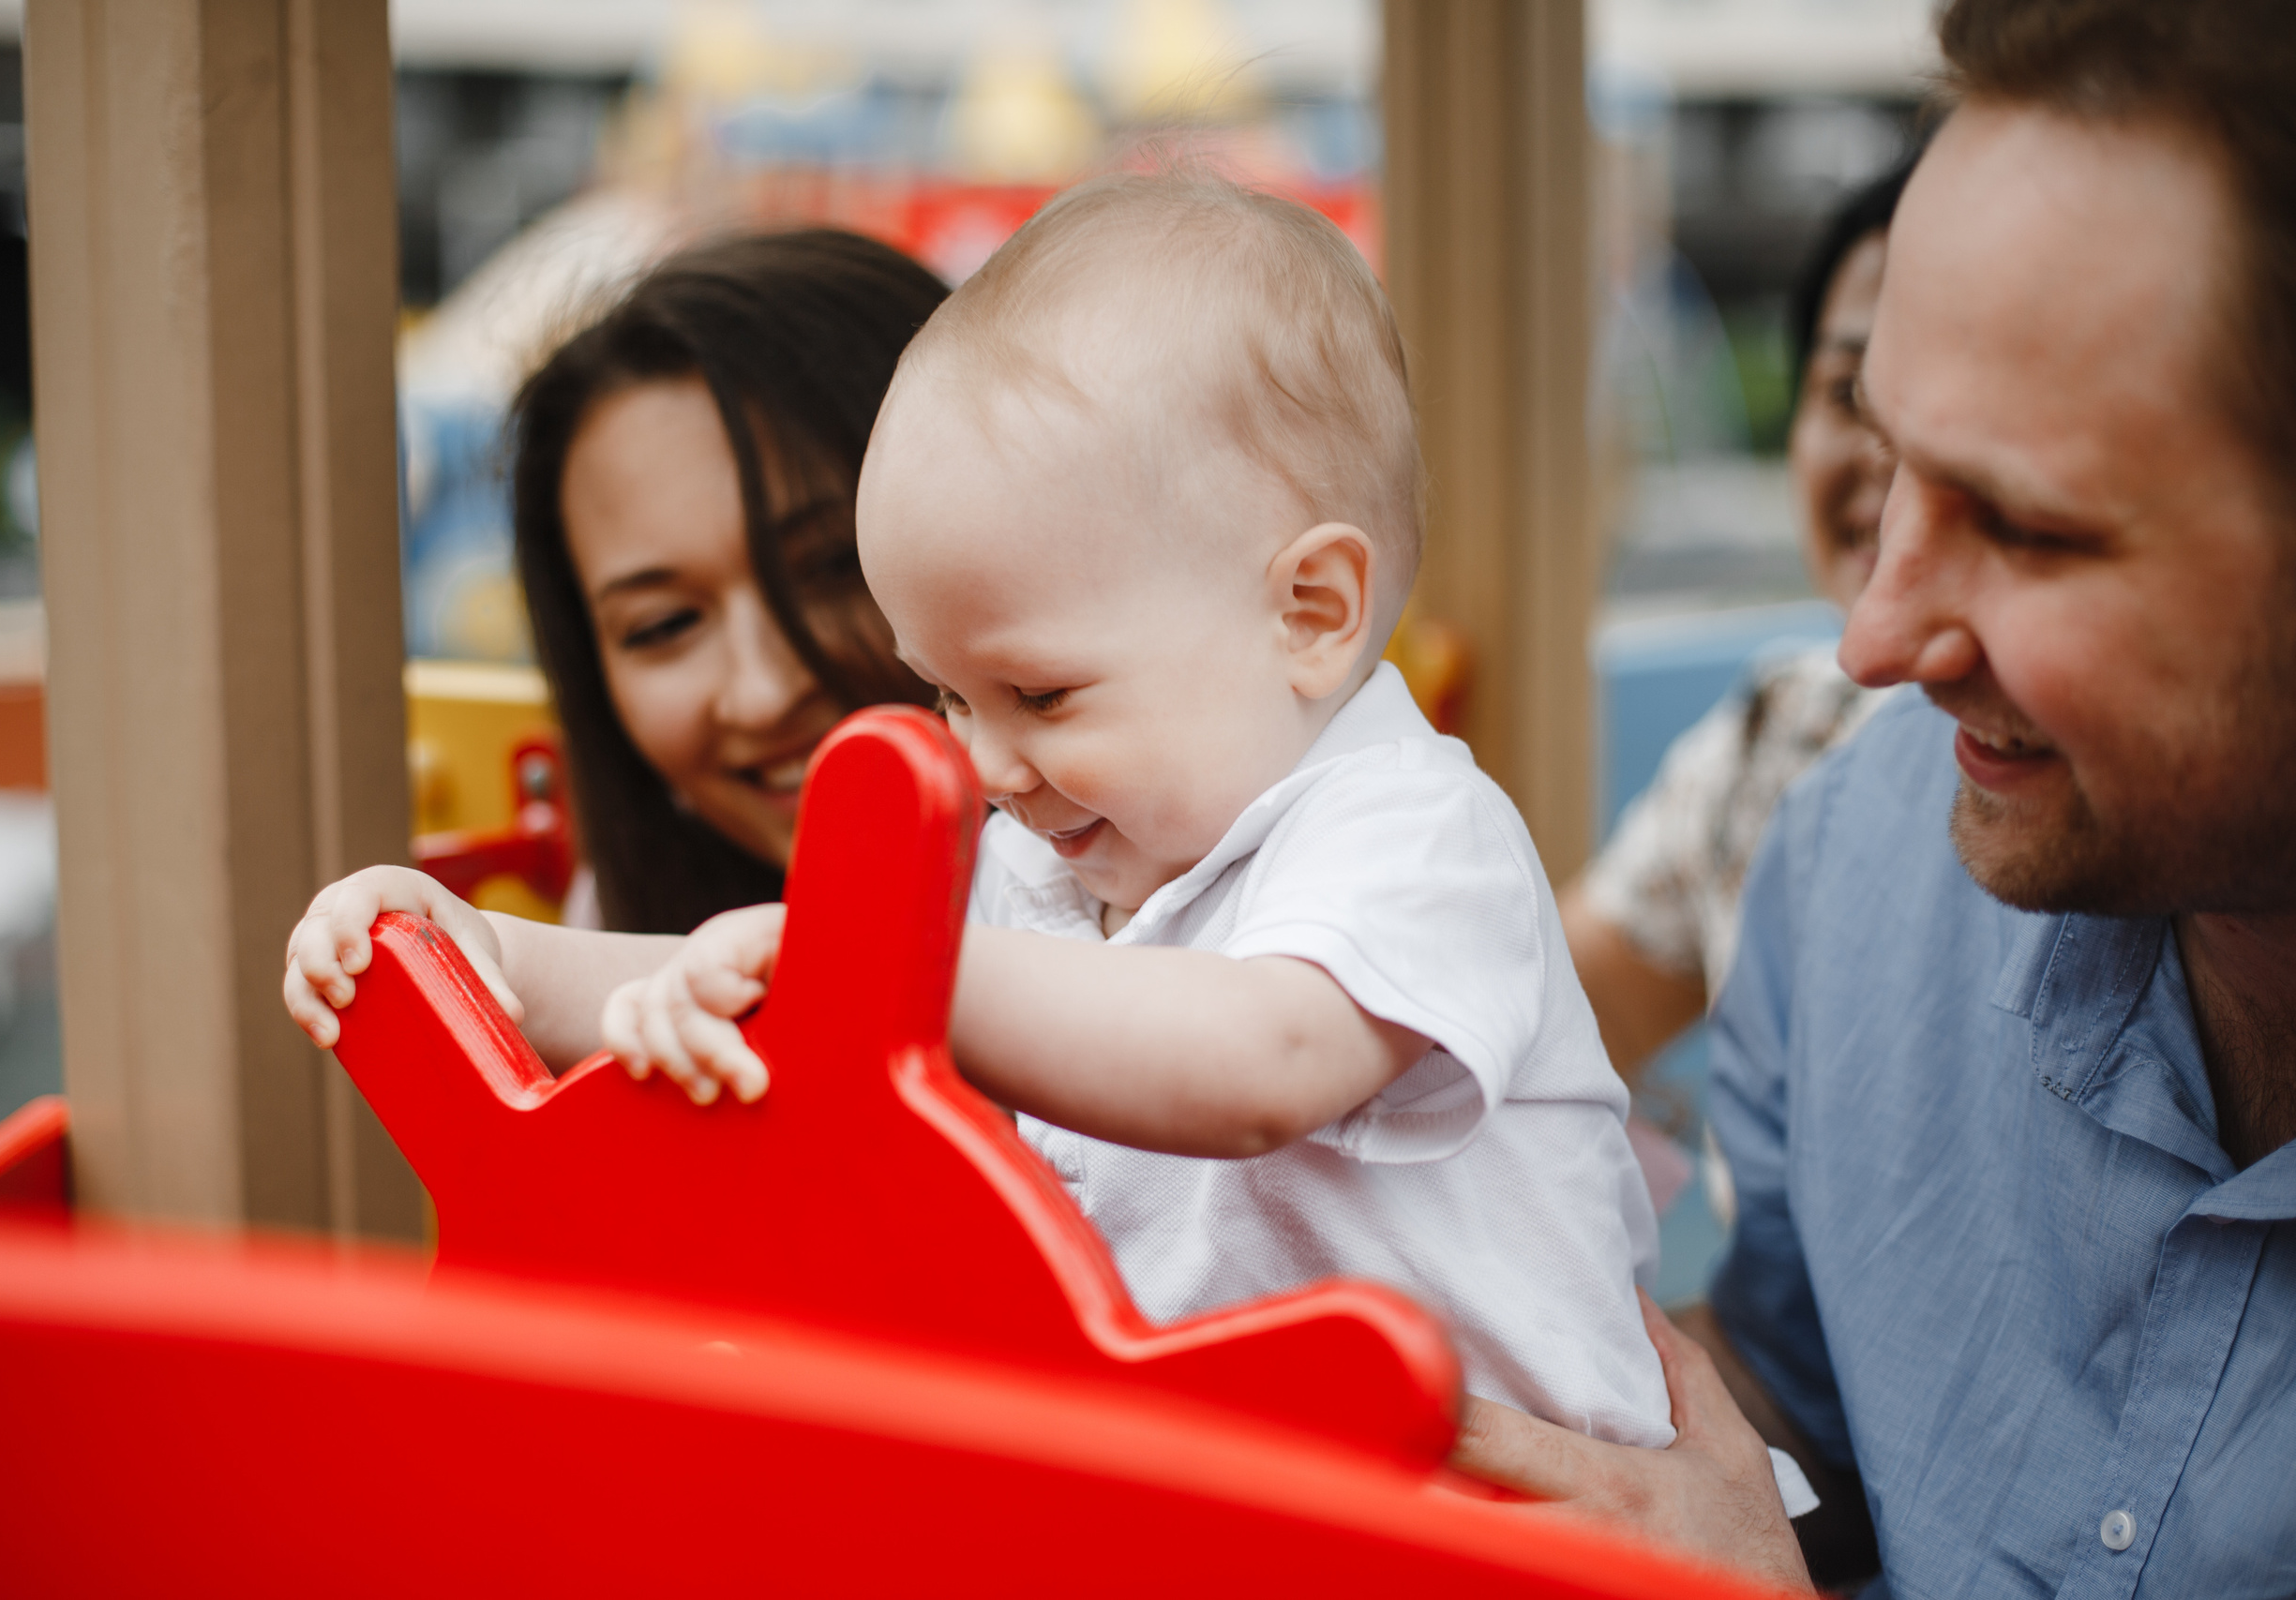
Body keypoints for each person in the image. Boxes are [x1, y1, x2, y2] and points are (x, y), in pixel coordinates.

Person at [290, 170, 1720, 1462]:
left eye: (1037, 690)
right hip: (1249, 1491)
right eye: (947, 696)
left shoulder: (1406, 828)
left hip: (1512, 1514)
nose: (981, 759)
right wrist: (494, 958)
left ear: (1312, 610)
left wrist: (892, 973)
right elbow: (770, 1012)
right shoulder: (1047, 863)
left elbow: (1261, 1060)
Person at [1451, 1, 2296, 1593]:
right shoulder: (1856, 861)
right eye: (1890, 458)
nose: (1875, 637)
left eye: (2030, 528)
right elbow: (1808, 1411)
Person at [1564, 161, 1913, 1087]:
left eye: (1931, 401)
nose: (1890, 458)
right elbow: (1540, 1012)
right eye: (1846, 391)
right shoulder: (1782, 731)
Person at [510, 230, 947, 935]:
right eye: (664, 624)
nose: (764, 693)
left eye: (835, 566)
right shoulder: (609, 936)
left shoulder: (1171, 927)